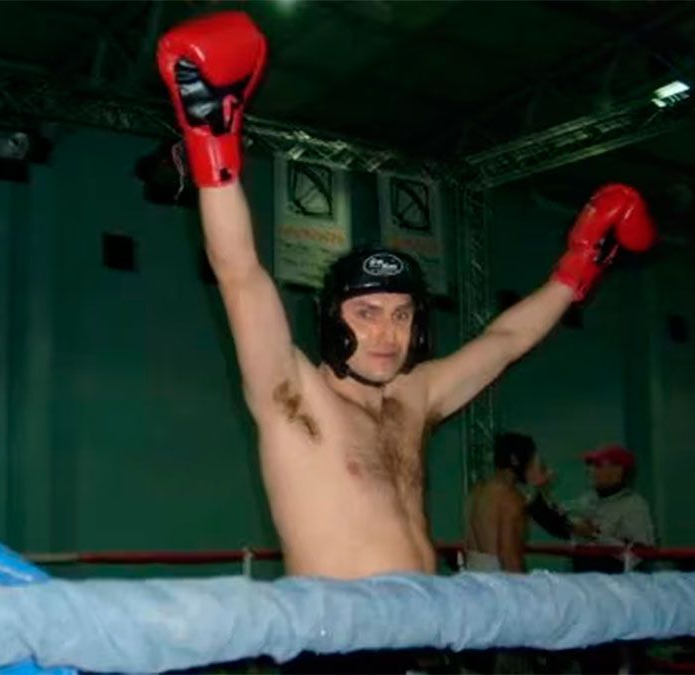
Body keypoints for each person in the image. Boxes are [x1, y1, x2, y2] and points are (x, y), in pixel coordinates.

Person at [157, 11, 656, 580]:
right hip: (340, 629)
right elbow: (240, 273)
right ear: (332, 320)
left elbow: (505, 340)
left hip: (424, 616)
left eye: (401, 314)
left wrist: (577, 270)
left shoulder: (413, 398)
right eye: (367, 313)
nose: (386, 332)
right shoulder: (294, 396)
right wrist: (213, 142)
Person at [529, 444, 656, 573]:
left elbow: (640, 555)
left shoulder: (634, 505)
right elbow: (553, 518)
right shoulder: (589, 499)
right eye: (590, 466)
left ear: (618, 470)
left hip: (614, 580)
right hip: (582, 577)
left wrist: (594, 536)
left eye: (597, 465)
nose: (590, 470)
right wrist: (542, 489)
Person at [463, 432, 549, 573]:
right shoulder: (511, 498)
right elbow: (509, 556)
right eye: (530, 460)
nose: (532, 466)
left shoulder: (476, 492)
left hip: (471, 575)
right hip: (499, 578)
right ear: (516, 460)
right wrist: (522, 584)